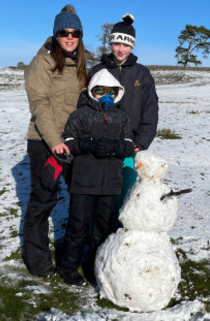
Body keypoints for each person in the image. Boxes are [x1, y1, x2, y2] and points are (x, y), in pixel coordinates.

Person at [52, 68, 135, 285]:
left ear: (118, 93)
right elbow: (68, 143)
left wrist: (114, 147)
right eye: (100, 90)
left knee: (103, 228)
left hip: (110, 183)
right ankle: (68, 266)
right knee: (77, 226)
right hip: (83, 181)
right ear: (91, 91)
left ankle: (95, 264)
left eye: (111, 90)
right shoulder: (79, 115)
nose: (105, 94)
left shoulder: (122, 117)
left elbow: (129, 146)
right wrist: (89, 144)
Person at [22, 4, 87, 278]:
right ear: (56, 35)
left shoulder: (83, 64)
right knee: (43, 198)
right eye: (64, 32)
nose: (70, 37)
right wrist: (55, 141)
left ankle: (72, 253)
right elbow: (40, 103)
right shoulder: (42, 62)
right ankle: (37, 261)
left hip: (73, 141)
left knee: (80, 195)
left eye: (75, 32)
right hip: (44, 141)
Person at [87, 14, 159, 220]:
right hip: (99, 144)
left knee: (124, 193)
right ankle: (95, 240)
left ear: (132, 47)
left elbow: (150, 111)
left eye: (125, 45)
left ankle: (120, 239)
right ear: (111, 43)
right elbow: (85, 105)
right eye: (116, 43)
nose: (120, 49)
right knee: (98, 193)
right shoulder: (97, 70)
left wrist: (141, 142)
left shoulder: (142, 74)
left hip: (129, 146)